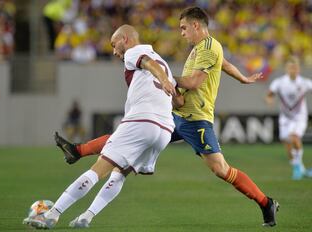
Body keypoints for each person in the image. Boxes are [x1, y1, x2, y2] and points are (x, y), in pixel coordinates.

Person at [55, 7, 280, 228]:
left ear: (196, 25)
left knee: (221, 169)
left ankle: (265, 202)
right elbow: (224, 63)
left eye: (184, 28)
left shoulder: (209, 47)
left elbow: (193, 83)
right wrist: (241, 77)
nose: (181, 33)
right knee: (128, 137)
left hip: (196, 119)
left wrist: (165, 77)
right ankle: (78, 153)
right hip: (175, 115)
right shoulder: (201, 49)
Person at [23, 24, 180, 229]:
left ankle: (51, 214)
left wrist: (162, 79)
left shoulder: (135, 52)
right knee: (119, 172)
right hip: (164, 130)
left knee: (98, 169)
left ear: (125, 39)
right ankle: (86, 217)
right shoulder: (165, 63)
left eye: (115, 45)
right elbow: (179, 101)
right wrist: (170, 85)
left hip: (143, 120)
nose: (114, 52)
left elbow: (149, 64)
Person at [265, 56, 312, 180]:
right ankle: (300, 168)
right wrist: (269, 100)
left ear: (299, 69)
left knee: (294, 138)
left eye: (295, 67)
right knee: (287, 144)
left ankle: (297, 168)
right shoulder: (279, 82)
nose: (293, 70)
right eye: (291, 67)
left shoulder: (304, 82)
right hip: (285, 118)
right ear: (287, 69)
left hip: (300, 117)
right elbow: (269, 95)